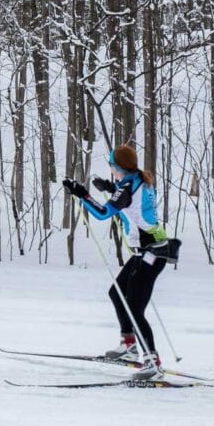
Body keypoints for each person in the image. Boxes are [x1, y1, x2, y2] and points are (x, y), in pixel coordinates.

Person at [62, 144, 176, 380]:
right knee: (117, 293)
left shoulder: (128, 185)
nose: (111, 169)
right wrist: (110, 187)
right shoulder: (133, 180)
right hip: (143, 252)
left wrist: (81, 194)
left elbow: (104, 213)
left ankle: (153, 364)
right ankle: (129, 346)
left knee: (135, 308)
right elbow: (129, 200)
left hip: (153, 252)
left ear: (119, 167)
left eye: (112, 166)